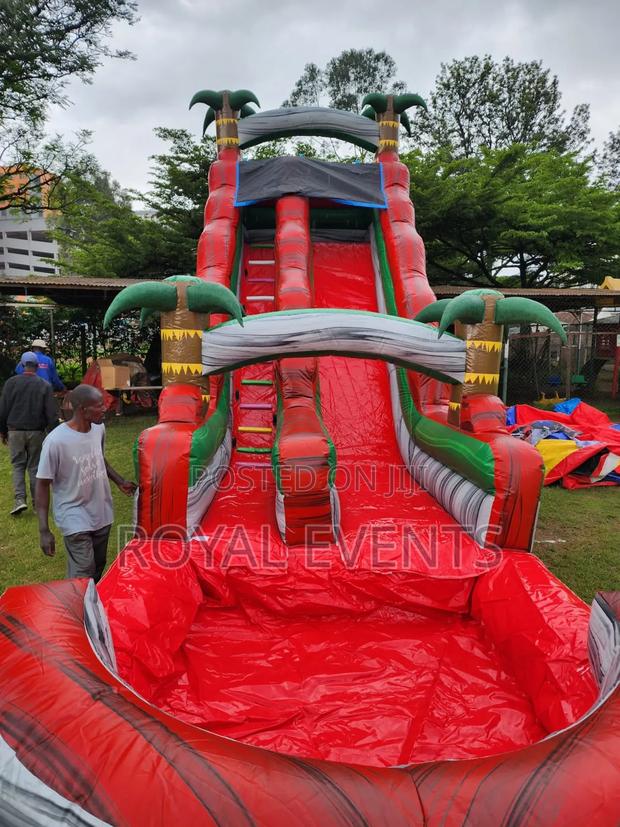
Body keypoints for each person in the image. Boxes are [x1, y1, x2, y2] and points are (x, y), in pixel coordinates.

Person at [36, 384, 137, 583]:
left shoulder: (99, 428)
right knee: (83, 571)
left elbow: (99, 457)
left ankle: (91, 609)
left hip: (101, 511)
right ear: (82, 409)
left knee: (98, 567)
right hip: (73, 514)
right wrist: (43, 530)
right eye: (99, 406)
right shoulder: (55, 441)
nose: (105, 408)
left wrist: (119, 481)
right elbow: (42, 484)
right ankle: (76, 611)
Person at [0, 351, 59, 515]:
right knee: (34, 467)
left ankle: (19, 500)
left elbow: (3, 410)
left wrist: (3, 431)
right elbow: (51, 413)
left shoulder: (10, 383)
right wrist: (52, 433)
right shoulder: (44, 385)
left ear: (21, 365)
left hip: (15, 431)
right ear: (38, 366)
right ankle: (37, 504)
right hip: (36, 432)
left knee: (18, 465)